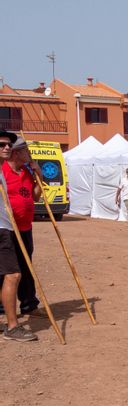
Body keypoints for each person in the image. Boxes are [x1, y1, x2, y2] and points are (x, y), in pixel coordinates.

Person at [0, 130, 36, 342]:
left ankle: (21, 310)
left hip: (13, 227)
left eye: (8, 145)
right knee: (13, 275)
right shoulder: (3, 171)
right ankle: (12, 327)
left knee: (12, 273)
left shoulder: (18, 172)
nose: (6, 147)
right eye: (2, 144)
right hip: (4, 230)